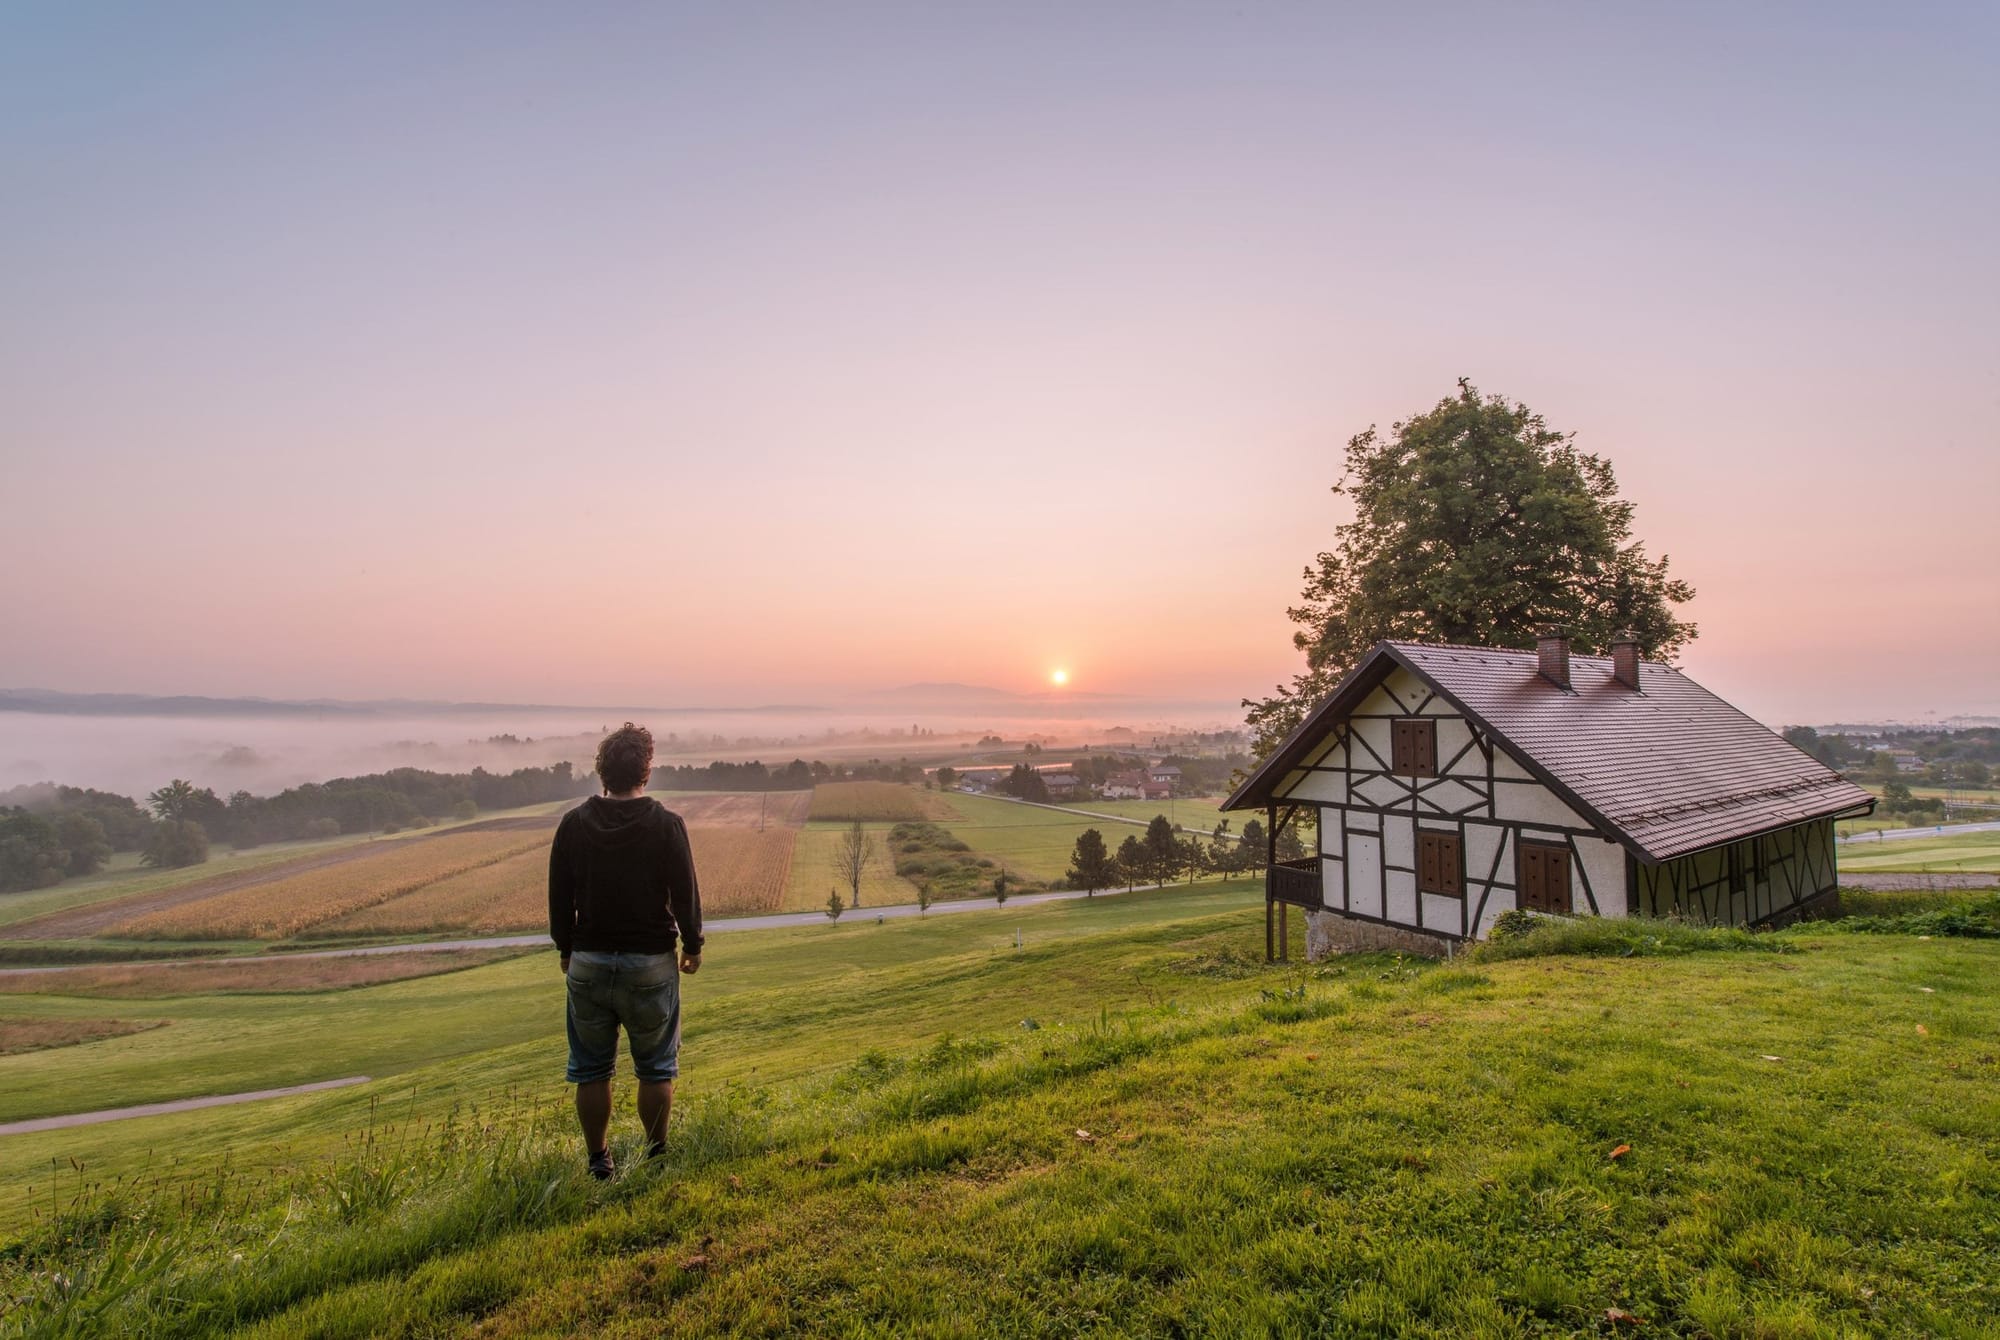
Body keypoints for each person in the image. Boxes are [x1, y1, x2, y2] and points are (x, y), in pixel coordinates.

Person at [548, 722, 703, 1179]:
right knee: (655, 1067)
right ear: (646, 772)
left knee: (591, 1068)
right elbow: (685, 892)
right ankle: (656, 1156)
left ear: (601, 773)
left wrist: (565, 949)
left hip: (589, 961)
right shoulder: (666, 824)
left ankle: (599, 1161)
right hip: (650, 962)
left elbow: (560, 895)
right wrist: (692, 945)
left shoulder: (574, 824)